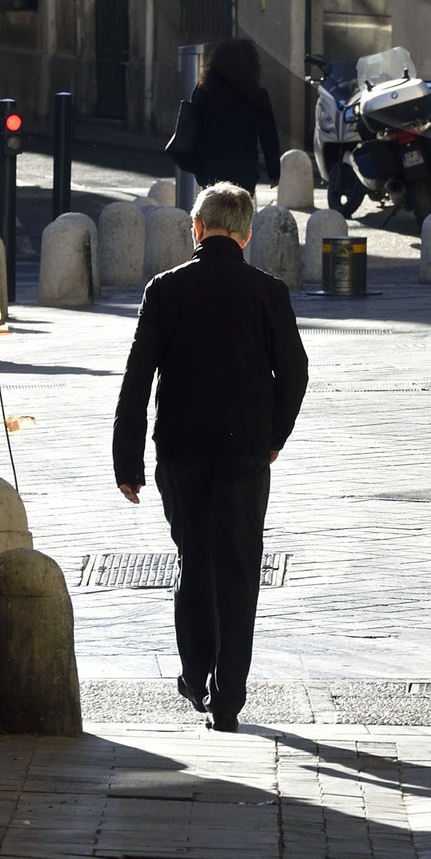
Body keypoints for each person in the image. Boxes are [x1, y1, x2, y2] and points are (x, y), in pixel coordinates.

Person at [112, 180, 308, 731]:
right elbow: (294, 373)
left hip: (180, 449)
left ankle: (195, 674)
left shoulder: (164, 290)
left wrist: (126, 460)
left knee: (193, 560)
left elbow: (136, 380)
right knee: (240, 570)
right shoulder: (268, 292)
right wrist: (275, 435)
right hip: (245, 450)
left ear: (195, 229)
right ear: (245, 236)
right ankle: (229, 700)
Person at [183, 36, 281, 192]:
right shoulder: (257, 96)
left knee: (213, 212)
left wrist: (197, 167)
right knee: (240, 213)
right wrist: (274, 171)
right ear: (251, 65)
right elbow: (269, 136)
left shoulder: (203, 93)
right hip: (244, 169)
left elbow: (193, 130)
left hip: (210, 168)